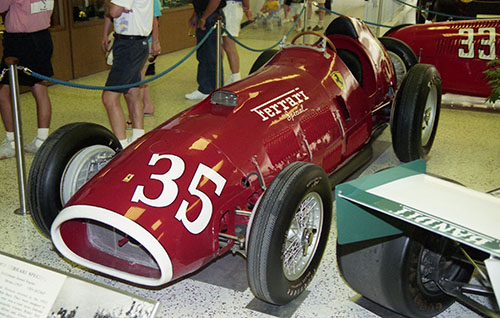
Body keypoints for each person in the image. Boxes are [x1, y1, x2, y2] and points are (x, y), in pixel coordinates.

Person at [0, 0, 54, 160]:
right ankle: (41, 139)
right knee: (39, 88)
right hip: (43, 36)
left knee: (3, 90)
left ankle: (12, 142)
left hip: (20, 41)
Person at [101, 0, 153, 148]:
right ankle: (138, 137)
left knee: (109, 98)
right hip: (134, 44)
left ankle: (121, 146)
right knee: (132, 93)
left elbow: (113, 11)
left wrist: (110, 4)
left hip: (130, 46)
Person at [126, 0, 162, 129]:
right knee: (140, 77)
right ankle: (147, 106)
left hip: (144, 42)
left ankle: (133, 117)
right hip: (134, 41)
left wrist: (155, 41)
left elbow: (154, 20)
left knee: (137, 79)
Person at [185, 0, 226, 100]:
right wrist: (196, 14)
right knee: (202, 55)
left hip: (212, 16)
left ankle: (214, 90)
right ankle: (204, 89)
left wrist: (204, 17)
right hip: (203, 14)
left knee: (212, 56)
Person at [222, 0, 253, 85]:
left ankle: (236, 77)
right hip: (222, 8)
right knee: (220, 44)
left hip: (231, 8)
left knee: (229, 45)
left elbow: (246, 3)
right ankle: (223, 75)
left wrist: (247, 8)